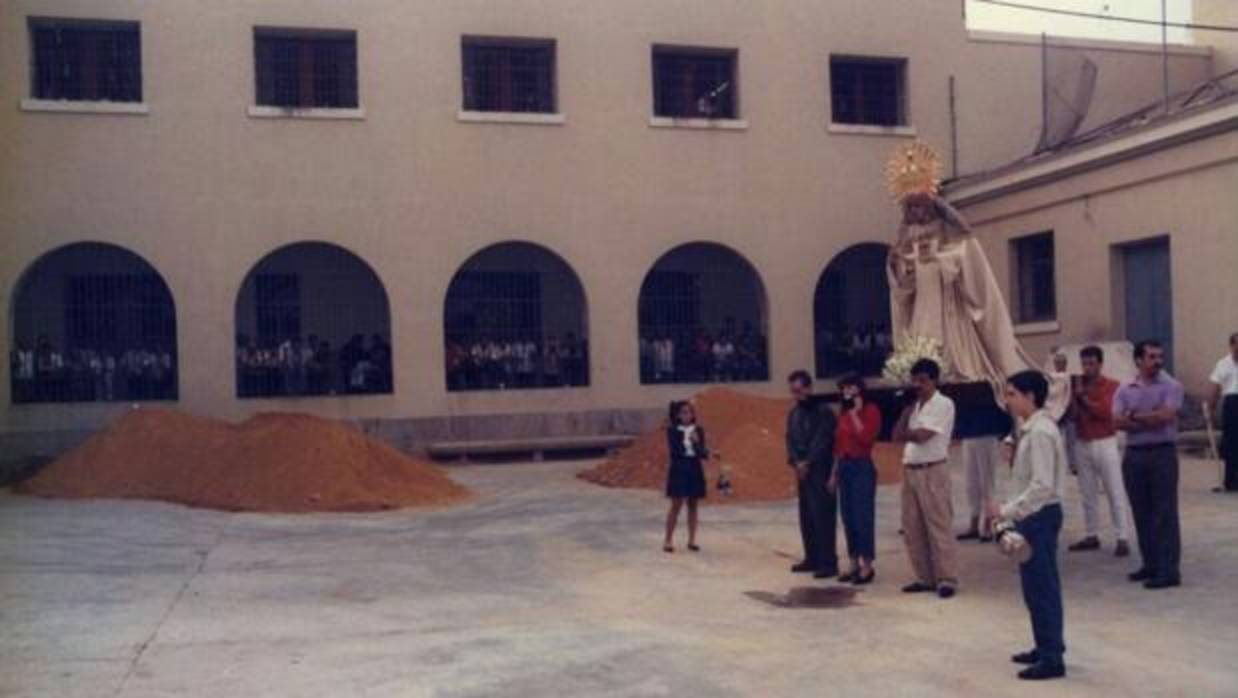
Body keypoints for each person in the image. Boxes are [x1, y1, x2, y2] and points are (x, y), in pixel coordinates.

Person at [988, 370, 1068, 681]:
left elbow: (1042, 486)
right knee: (1034, 587)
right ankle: (1045, 644)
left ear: (1030, 396)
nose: (1008, 401)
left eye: (1012, 394)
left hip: (1040, 515)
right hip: (1032, 515)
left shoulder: (1040, 433)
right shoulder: (1029, 429)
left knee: (1042, 586)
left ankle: (1052, 656)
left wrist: (1007, 510)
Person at [1115, 340, 1184, 590]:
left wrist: (1134, 416)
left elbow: (1165, 417)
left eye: (1159, 357)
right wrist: (1149, 417)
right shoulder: (1125, 388)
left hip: (1161, 454)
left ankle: (1169, 570)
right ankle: (1151, 564)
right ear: (1138, 360)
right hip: (1134, 455)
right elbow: (1116, 421)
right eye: (1152, 357)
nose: (1158, 361)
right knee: (1141, 511)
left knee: (1164, 512)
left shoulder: (1172, 386)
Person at [895, 358, 959, 598]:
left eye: (923, 380)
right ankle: (924, 577)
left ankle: (946, 578)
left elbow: (923, 436)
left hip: (932, 470)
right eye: (915, 381)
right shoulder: (914, 407)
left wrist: (908, 433)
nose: (918, 385)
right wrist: (906, 411)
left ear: (934, 380)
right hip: (910, 469)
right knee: (912, 526)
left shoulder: (944, 404)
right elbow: (896, 435)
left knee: (938, 525)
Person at [1067, 345, 1132, 556]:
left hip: (1105, 441)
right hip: (1083, 441)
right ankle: (1091, 533)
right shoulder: (1078, 385)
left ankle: (1122, 537)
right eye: (1084, 364)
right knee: (1087, 492)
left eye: (1091, 363)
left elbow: (1105, 412)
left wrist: (1083, 398)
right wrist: (1072, 397)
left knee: (1114, 490)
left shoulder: (1112, 385)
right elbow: (1071, 417)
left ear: (1100, 364)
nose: (1087, 368)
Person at [786, 369, 839, 579]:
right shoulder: (794, 413)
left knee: (822, 515)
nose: (797, 395)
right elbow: (789, 439)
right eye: (793, 391)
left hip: (820, 470)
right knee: (806, 515)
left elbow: (824, 439)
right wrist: (796, 462)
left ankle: (828, 562)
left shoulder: (824, 411)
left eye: (799, 390)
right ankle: (812, 557)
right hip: (802, 471)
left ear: (809, 388)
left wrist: (808, 461)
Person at [830, 375, 881, 584]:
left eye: (850, 387)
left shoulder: (871, 410)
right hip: (845, 466)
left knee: (863, 516)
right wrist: (833, 474)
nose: (847, 392)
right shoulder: (843, 414)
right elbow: (838, 446)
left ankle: (867, 565)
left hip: (862, 466)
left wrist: (855, 414)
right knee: (848, 516)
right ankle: (853, 562)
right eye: (844, 388)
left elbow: (866, 438)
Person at [663, 400, 714, 553]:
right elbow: (675, 451)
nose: (687, 415)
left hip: (694, 467)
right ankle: (668, 540)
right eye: (684, 412)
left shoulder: (698, 430)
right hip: (679, 468)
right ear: (678, 415)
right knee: (676, 505)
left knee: (693, 504)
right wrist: (689, 442)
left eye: (690, 412)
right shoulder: (672, 431)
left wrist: (697, 444)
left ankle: (692, 540)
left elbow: (702, 454)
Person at [1209, 332, 1238, 493]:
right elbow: (1215, 387)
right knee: (1231, 442)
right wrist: (1211, 409)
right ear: (1231, 346)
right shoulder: (1223, 364)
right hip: (1232, 404)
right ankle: (1231, 480)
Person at [958, 435, 1000, 543]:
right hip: (969, 435)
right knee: (971, 484)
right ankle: (974, 525)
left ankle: (988, 525)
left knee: (987, 483)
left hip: (986, 435)